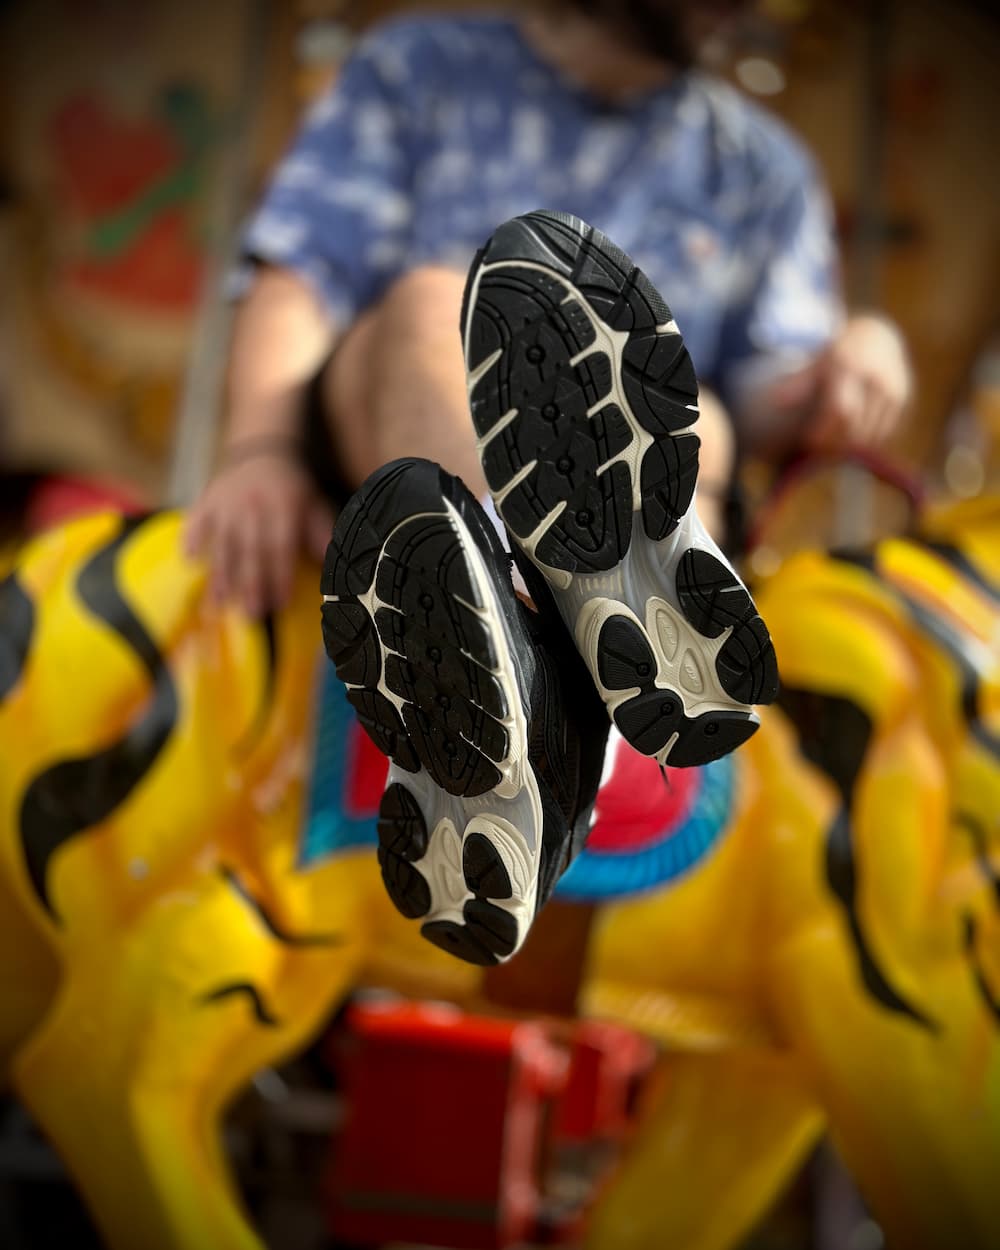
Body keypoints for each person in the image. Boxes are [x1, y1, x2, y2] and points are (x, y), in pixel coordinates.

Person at [185, 0, 912, 618]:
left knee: (703, 421)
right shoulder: (417, 67)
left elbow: (772, 396)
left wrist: (853, 355)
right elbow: (302, 276)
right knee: (442, 307)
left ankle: (589, 631)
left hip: (634, 493)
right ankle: (533, 612)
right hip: (397, 454)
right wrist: (262, 450)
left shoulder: (763, 166)